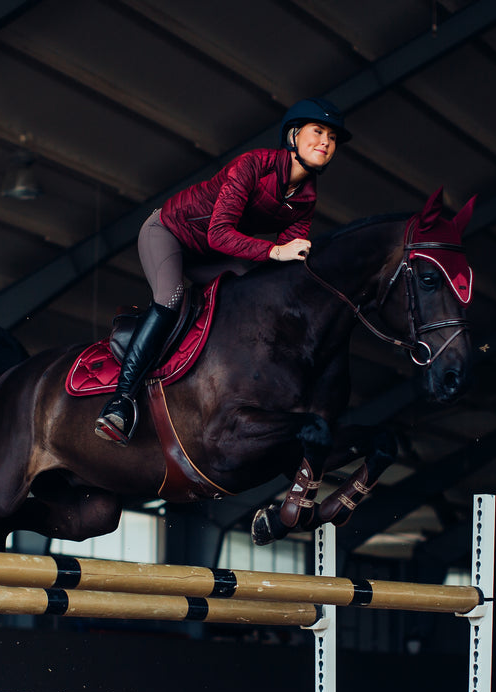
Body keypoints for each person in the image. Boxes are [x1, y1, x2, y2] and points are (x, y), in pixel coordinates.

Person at [94, 98, 351, 445]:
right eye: (318, 131)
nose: (326, 142)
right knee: (170, 298)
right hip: (170, 233)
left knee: (253, 292)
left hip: (212, 254)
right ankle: (121, 402)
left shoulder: (306, 196)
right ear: (292, 136)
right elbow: (220, 232)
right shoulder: (252, 165)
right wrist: (275, 250)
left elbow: (289, 261)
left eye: (333, 138)